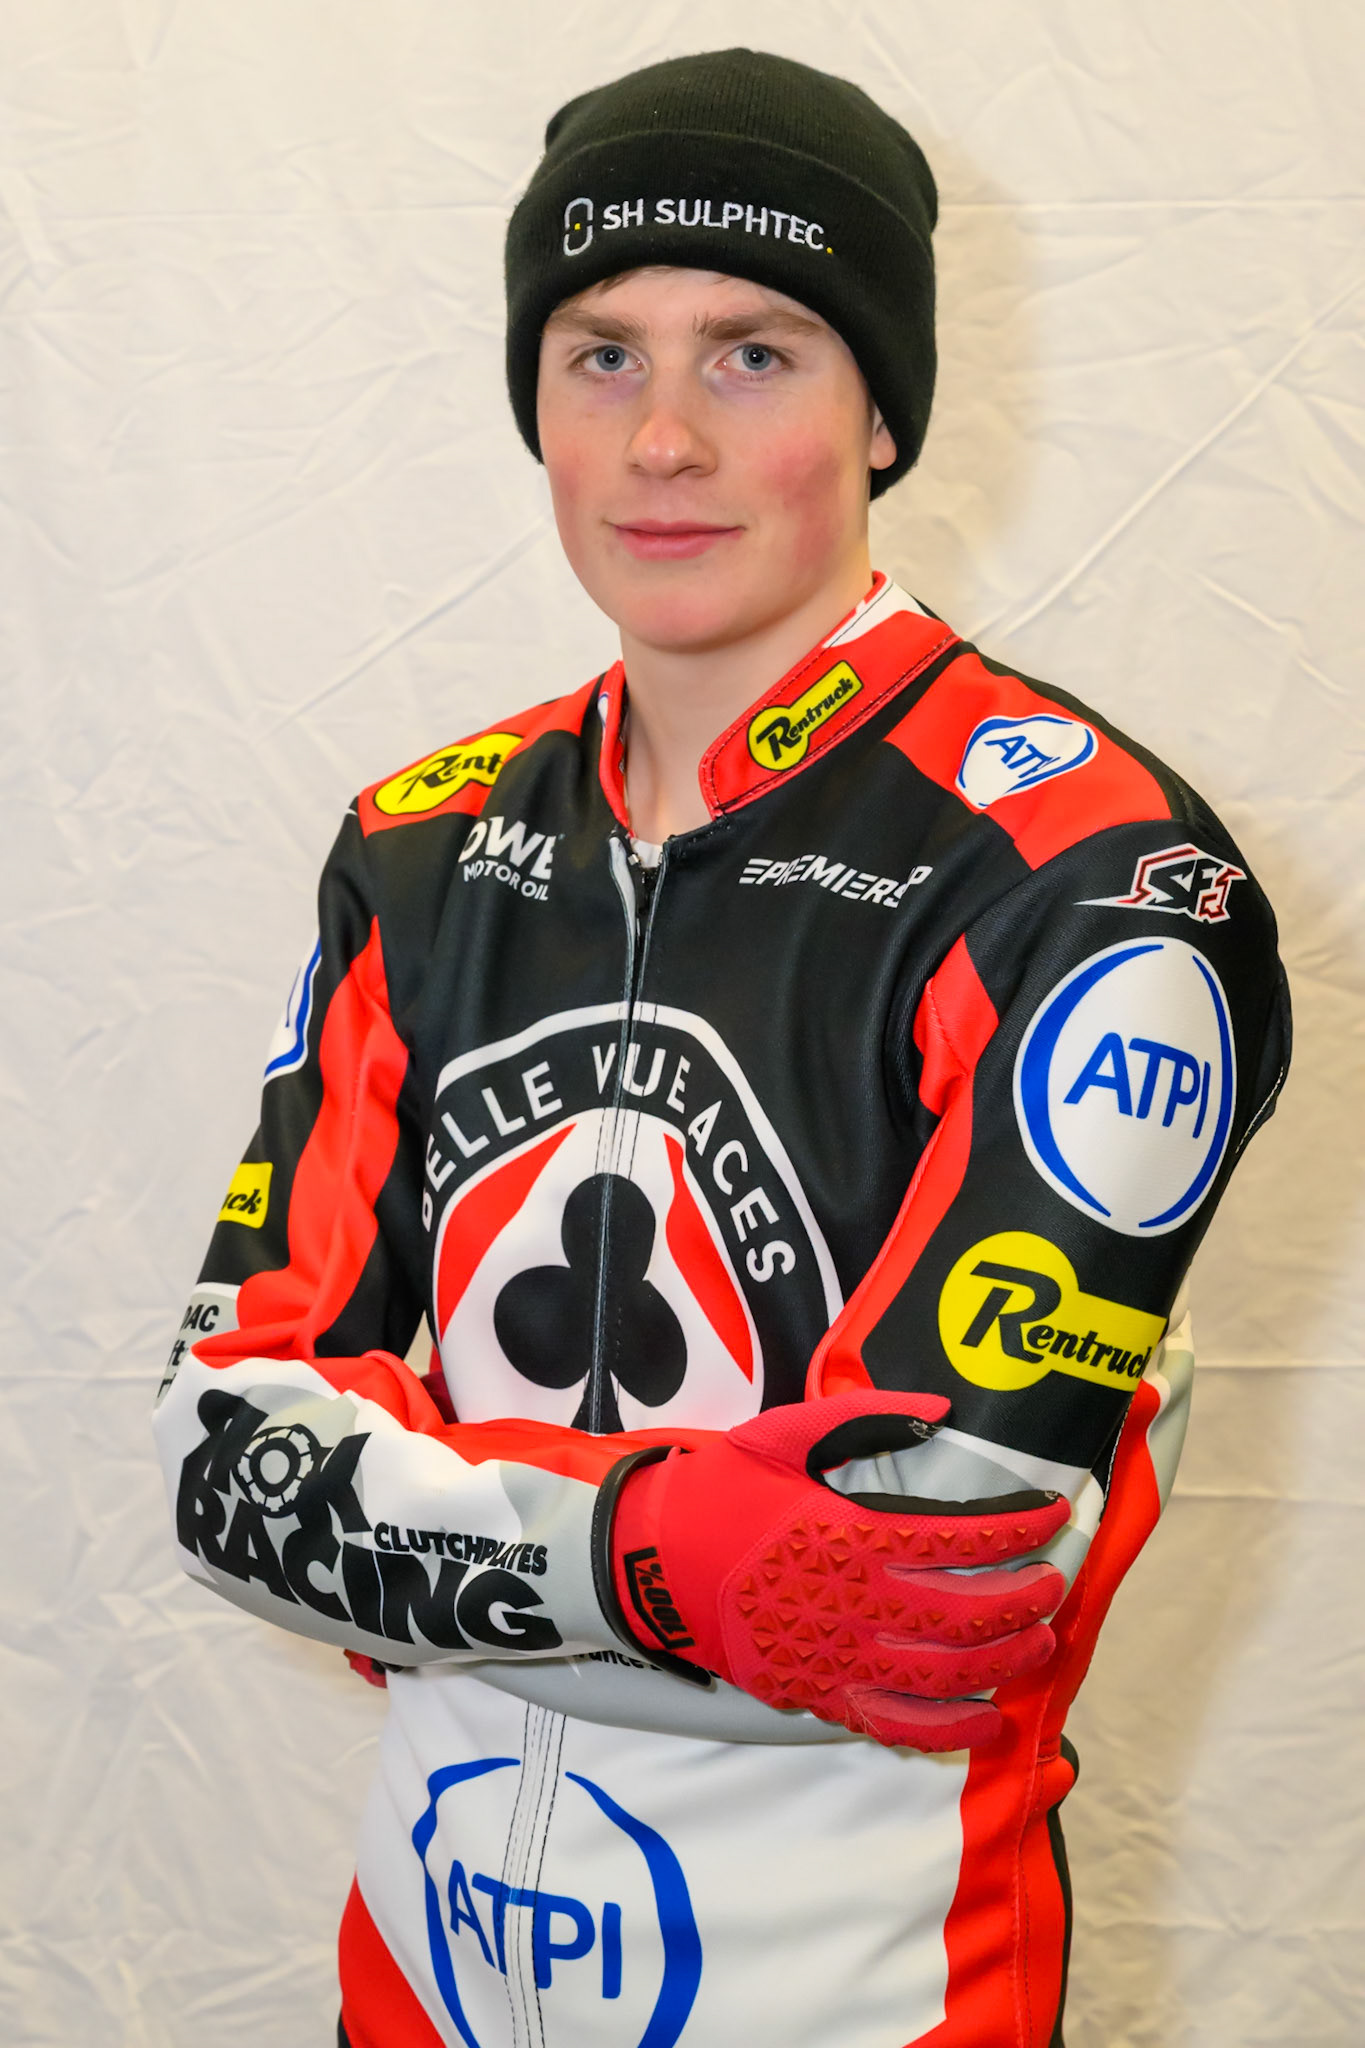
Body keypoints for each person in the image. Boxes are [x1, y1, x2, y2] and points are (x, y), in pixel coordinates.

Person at [153, 47, 1291, 2048]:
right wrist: (667, 1549)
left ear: (880, 414)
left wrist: (413, 1526)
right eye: (600, 354)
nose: (661, 438)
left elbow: (922, 1578)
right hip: (414, 1986)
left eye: (753, 353)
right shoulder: (417, 851)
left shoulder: (1095, 884)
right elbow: (222, 1464)